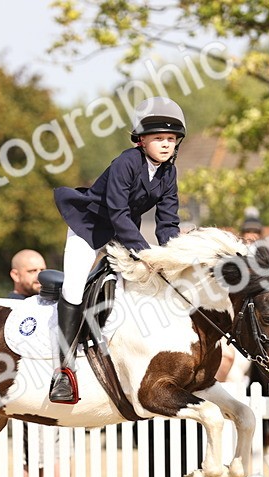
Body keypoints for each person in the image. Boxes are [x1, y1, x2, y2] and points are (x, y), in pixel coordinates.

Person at [50, 95, 185, 403]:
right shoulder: (126, 162)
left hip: (122, 235)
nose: (166, 144)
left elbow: (167, 222)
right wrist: (145, 252)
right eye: (159, 139)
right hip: (90, 227)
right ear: (141, 141)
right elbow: (117, 213)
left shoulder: (169, 173)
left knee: (131, 290)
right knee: (73, 288)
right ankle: (63, 371)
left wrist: (173, 255)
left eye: (172, 139)